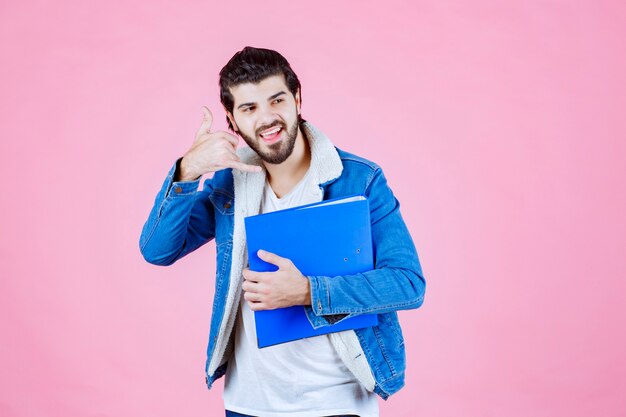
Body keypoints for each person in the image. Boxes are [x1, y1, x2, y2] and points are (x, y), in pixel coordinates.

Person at [139, 46, 426, 417]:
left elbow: (407, 282)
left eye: (276, 100)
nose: (267, 118)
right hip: (247, 405)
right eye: (249, 108)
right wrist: (188, 169)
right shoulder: (229, 183)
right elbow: (158, 250)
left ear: (297, 98)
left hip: (337, 404)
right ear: (232, 120)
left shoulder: (360, 180)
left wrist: (309, 291)